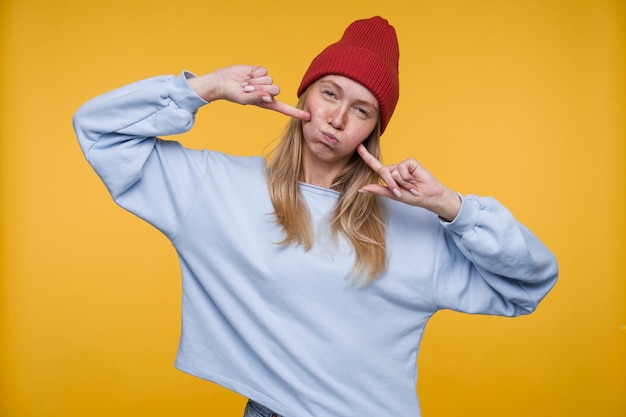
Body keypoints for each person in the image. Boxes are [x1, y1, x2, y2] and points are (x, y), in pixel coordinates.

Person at [73, 16, 558, 417]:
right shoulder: (216, 189)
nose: (338, 119)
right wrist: (208, 87)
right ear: (305, 96)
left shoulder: (415, 228)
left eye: (362, 109)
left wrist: (452, 207)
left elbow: (528, 283)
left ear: (373, 129)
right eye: (329, 93)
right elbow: (99, 131)